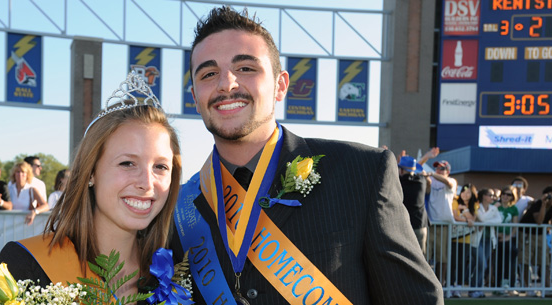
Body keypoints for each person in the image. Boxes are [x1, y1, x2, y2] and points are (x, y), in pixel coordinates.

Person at [169, 6, 441, 304]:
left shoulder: (361, 173)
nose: (226, 83)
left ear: (280, 85)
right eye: (209, 73)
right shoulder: (177, 209)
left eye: (245, 68)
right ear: (195, 98)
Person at [0, 73, 182, 299]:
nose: (146, 182)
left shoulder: (172, 276)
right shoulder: (28, 264)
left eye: (161, 167)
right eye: (127, 163)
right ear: (91, 172)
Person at [519, 185, 552, 296]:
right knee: (525, 260)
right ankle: (528, 288)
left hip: (541, 235)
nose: (550, 198)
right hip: (527, 234)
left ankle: (546, 288)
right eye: (548, 195)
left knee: (545, 262)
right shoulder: (537, 204)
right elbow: (539, 221)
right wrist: (543, 204)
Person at [426, 159, 457, 293]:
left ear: (448, 171)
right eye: (437, 168)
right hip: (430, 223)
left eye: (442, 168)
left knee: (442, 258)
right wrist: (427, 178)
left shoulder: (452, 181)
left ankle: (441, 285)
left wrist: (431, 174)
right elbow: (427, 190)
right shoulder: (431, 180)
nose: (439, 170)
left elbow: (448, 183)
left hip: (444, 225)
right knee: (425, 256)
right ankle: (426, 283)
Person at [469, 188, 502, 298]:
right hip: (477, 241)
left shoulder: (493, 208)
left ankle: (478, 289)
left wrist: (485, 221)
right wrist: (492, 212)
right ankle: (473, 289)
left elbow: (499, 221)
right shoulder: (478, 207)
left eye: (493, 195)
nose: (492, 197)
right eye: (490, 195)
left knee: (483, 265)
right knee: (482, 264)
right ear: (483, 196)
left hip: (489, 240)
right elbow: (481, 218)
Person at [397, 156, 429, 253]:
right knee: (420, 259)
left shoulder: (399, 182)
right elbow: (418, 171)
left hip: (404, 226)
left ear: (401, 170)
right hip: (420, 226)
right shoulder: (422, 181)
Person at [449, 183, 476, 298]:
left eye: (468, 192)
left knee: (462, 263)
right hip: (454, 238)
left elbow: (473, 219)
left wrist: (464, 210)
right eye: (463, 192)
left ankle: (458, 288)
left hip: (467, 239)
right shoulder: (455, 201)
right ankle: (449, 286)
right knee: (453, 262)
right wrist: (466, 220)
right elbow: (455, 217)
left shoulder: (475, 205)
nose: (465, 194)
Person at [493, 185, 520, 296]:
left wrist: (509, 237)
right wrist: (496, 235)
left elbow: (515, 225)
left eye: (509, 194)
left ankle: (511, 287)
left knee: (510, 264)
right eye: (504, 193)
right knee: (498, 263)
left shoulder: (513, 209)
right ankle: (498, 287)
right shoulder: (496, 207)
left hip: (509, 240)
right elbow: (491, 221)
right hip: (496, 239)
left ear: (512, 197)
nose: (505, 196)